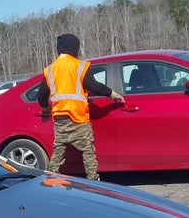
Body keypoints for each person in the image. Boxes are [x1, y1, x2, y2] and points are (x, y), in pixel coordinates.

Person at [36, 33, 124, 180]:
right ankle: (93, 180)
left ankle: (50, 180)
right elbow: (94, 86)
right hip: (78, 118)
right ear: (74, 48)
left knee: (58, 153)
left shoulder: (50, 69)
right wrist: (112, 94)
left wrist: (46, 107)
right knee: (88, 151)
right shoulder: (79, 66)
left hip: (60, 120)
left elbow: (41, 97)